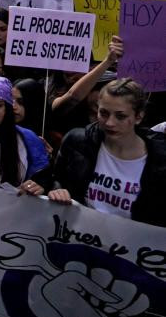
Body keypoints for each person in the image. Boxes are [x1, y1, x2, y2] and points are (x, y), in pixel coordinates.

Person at [49, 78, 166, 226]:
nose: (110, 123)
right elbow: (57, 179)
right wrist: (57, 190)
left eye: (120, 116)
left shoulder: (160, 160)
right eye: (103, 113)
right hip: (79, 237)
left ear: (138, 117)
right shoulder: (77, 142)